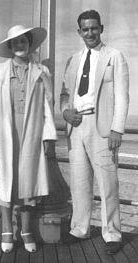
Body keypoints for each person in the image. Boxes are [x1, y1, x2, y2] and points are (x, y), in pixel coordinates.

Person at [0, 24, 57, 253]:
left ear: (29, 44)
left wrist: (49, 137)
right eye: (15, 42)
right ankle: (6, 230)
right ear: (10, 46)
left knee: (28, 183)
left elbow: (47, 108)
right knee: (5, 182)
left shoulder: (41, 71)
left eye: (23, 41)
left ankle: (25, 230)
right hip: (6, 133)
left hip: (32, 131)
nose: (19, 45)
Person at [60, 10, 129, 254]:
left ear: (102, 28)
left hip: (102, 129)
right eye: (85, 29)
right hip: (76, 127)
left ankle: (112, 233)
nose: (90, 33)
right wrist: (65, 112)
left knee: (108, 183)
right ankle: (79, 229)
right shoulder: (72, 60)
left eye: (94, 28)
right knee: (79, 184)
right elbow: (65, 95)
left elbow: (122, 97)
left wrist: (116, 130)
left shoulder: (115, 56)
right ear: (79, 32)